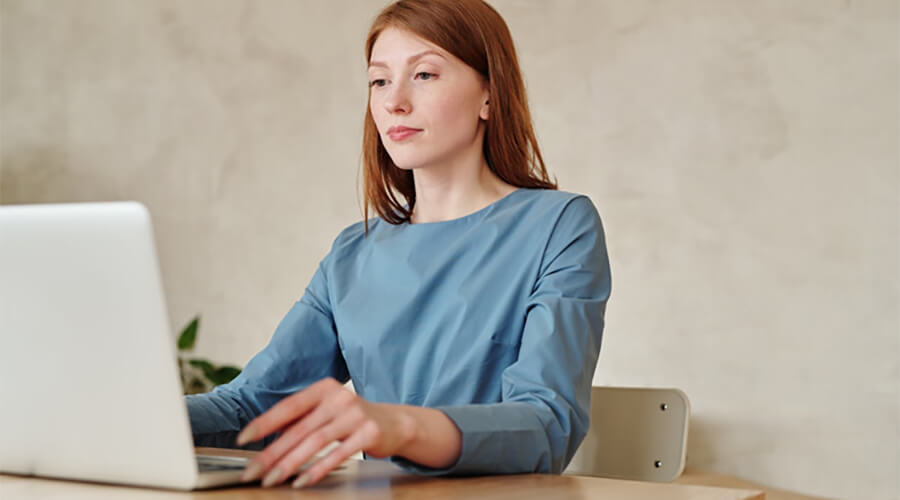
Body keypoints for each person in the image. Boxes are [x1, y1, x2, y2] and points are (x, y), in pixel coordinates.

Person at [186, 0, 612, 489]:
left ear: (489, 96)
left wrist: (400, 425)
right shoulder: (352, 253)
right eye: (379, 81)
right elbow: (250, 408)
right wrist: (113, 413)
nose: (394, 102)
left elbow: (546, 424)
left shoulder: (559, 225)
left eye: (425, 75)